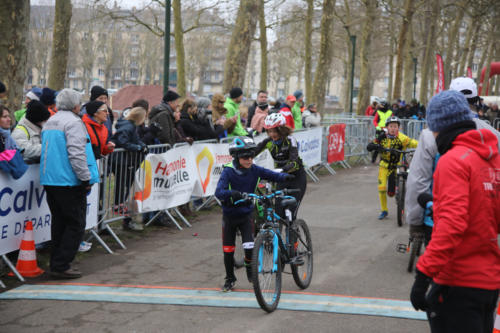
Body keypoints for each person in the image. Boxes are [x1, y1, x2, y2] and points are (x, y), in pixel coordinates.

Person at [410, 90, 500, 332]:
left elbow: (452, 225)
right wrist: (439, 202)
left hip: (457, 281)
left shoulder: (453, 160)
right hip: (488, 281)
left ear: (438, 126)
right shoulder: (490, 158)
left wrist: (422, 275)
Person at [405, 77, 500, 237]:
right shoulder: (493, 135)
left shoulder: (431, 135)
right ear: (477, 100)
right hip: (483, 223)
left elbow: (418, 180)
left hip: (438, 220)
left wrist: (415, 222)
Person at [215, 136, 293, 292]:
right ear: (237, 156)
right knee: (228, 250)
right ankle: (230, 279)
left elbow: (270, 174)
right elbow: (219, 192)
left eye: (251, 156)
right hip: (230, 215)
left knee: (249, 247)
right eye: (245, 156)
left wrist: (284, 176)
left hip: (246, 214)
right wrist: (234, 194)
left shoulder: (254, 169)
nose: (249, 159)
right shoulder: (229, 171)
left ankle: (250, 270)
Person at [40, 89, 99, 279]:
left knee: (59, 223)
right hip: (68, 180)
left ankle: (57, 262)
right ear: (76, 105)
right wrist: (85, 178)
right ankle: (61, 264)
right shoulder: (74, 123)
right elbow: (76, 153)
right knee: (75, 223)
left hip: (50, 178)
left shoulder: (51, 121)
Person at [255, 113, 307, 220]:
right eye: (269, 131)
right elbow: (252, 152)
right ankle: (277, 236)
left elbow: (294, 161)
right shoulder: (268, 141)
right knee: (278, 212)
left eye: (274, 131)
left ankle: (292, 234)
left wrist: (283, 169)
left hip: (297, 178)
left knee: (290, 214)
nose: (272, 134)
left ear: (281, 130)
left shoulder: (290, 140)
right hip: (281, 178)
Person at [366, 116, 418, 220]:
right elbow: (370, 145)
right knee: (381, 188)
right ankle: (384, 210)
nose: (393, 128)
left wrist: (423, 145)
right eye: (391, 126)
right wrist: (375, 146)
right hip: (384, 166)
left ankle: (399, 191)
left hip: (396, 166)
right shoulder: (382, 137)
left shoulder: (402, 138)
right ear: (387, 127)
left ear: (399, 128)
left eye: (395, 126)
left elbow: (413, 143)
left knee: (391, 193)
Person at [111, 107, 148, 231]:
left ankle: (120, 204)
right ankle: (118, 204)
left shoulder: (131, 126)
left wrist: (142, 146)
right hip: (121, 161)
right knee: (122, 183)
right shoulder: (128, 126)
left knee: (125, 184)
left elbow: (136, 140)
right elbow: (123, 142)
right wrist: (137, 148)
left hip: (126, 161)